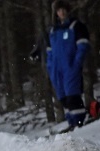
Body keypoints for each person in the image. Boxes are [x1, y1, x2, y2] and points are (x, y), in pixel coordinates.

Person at [46, 0, 90, 129]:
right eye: (59, 10)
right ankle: (72, 123)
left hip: (70, 66)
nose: (62, 12)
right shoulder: (53, 30)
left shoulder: (76, 26)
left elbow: (83, 46)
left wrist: (76, 63)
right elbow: (49, 52)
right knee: (64, 99)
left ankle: (80, 123)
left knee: (72, 96)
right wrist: (50, 66)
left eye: (64, 9)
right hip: (56, 69)